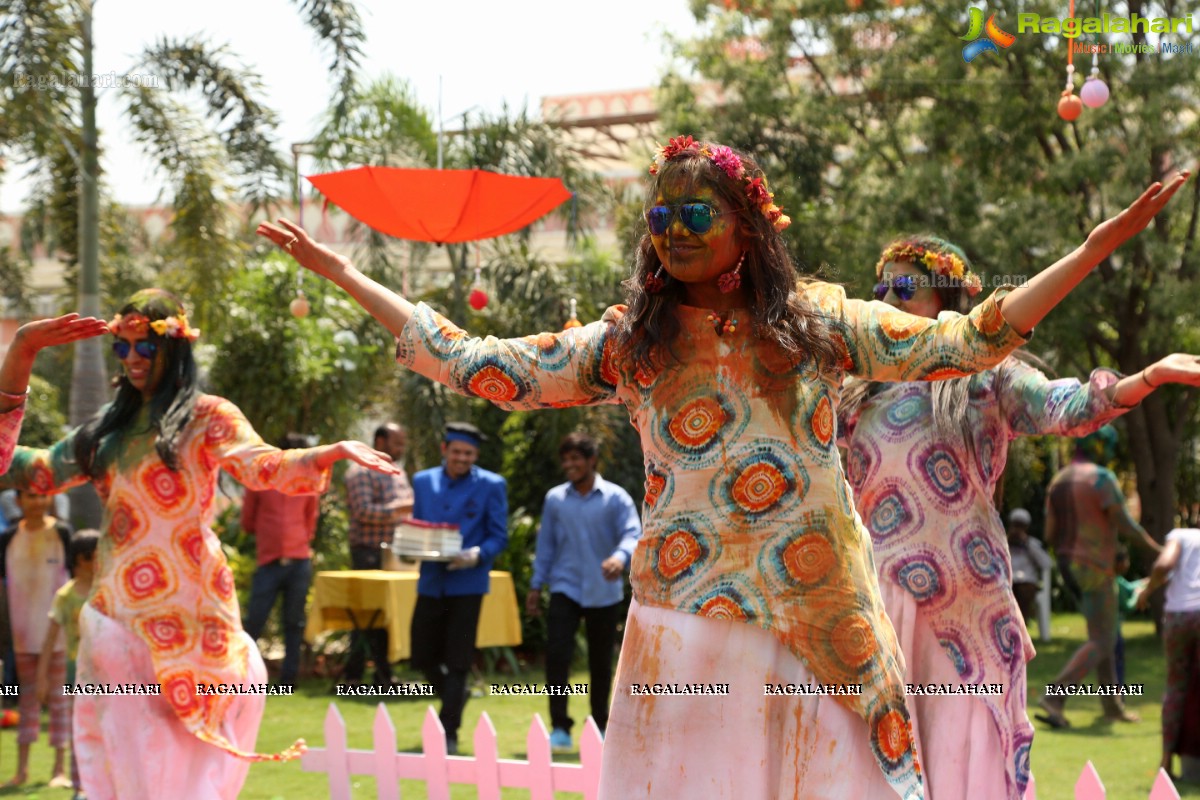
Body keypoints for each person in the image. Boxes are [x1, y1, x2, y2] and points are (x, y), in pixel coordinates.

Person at [259, 137, 1188, 799]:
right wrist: (346, 277)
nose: (672, 229)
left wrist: (1095, 249)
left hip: (818, 622)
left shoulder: (822, 322)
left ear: (747, 223)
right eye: (658, 216)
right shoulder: (631, 343)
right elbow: (480, 366)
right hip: (685, 623)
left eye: (694, 212)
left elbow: (965, 341)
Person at [0, 289, 401, 800]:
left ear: (176, 344)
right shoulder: (107, 430)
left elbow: (263, 464)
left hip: (200, 616)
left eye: (144, 346)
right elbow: (22, 467)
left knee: (197, 761)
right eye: (121, 348)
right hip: (121, 623)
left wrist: (327, 453)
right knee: (133, 767)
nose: (131, 360)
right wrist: (21, 353)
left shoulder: (209, 416)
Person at [839, 234, 1200, 799]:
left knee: (962, 758)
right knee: (875, 769)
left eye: (906, 286)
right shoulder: (853, 397)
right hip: (877, 603)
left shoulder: (986, 379)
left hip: (967, 608)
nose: (888, 297)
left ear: (948, 299)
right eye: (881, 287)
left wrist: (1147, 377)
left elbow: (1072, 407)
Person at [1037, 426, 1163, 729]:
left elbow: (1049, 534)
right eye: (1107, 446)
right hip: (1095, 567)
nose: (1109, 453)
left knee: (1104, 635)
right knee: (1102, 641)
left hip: (1069, 568)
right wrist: (1158, 549)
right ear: (1096, 445)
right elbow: (1126, 525)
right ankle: (1055, 697)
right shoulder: (1101, 480)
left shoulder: (1058, 481)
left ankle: (1112, 705)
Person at [526, 432, 641, 751]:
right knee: (557, 657)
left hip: (603, 590)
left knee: (601, 662)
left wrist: (619, 558)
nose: (569, 465)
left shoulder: (616, 497)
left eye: (576, 458)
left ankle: (600, 725)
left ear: (592, 461)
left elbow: (633, 533)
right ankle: (560, 727)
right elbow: (546, 544)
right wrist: (537, 584)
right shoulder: (555, 499)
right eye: (566, 459)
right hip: (565, 586)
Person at [408, 421, 508, 755]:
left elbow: (498, 535)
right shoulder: (423, 482)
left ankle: (448, 730)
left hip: (468, 583)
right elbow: (418, 526)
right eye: (456, 452)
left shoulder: (492, 485)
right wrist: (409, 547)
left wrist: (478, 554)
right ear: (444, 450)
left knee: (459, 660)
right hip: (431, 581)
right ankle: (456, 695)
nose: (462, 459)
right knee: (421, 654)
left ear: (475, 455)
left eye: (468, 454)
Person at [0, 489, 73, 789]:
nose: (37, 502)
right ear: (18, 501)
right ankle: (22, 770)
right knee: (26, 702)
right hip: (22, 636)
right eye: (30, 496)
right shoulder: (8, 538)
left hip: (56, 635)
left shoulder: (62, 532)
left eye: (42, 496)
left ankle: (60, 770)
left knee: (58, 702)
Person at [241, 433, 321, 688]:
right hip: (269, 562)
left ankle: (289, 680)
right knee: (254, 621)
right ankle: (241, 676)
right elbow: (248, 521)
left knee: (294, 623)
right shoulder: (260, 481)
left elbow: (311, 522)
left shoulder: (308, 483)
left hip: (298, 562)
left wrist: (296, 541)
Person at [343, 421, 413, 687]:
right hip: (368, 554)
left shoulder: (397, 472)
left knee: (385, 617)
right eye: (397, 443)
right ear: (380, 442)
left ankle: (384, 676)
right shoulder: (361, 471)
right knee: (364, 616)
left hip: (393, 556)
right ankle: (353, 676)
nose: (401, 448)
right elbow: (363, 511)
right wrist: (398, 509)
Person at [37, 528, 100, 800]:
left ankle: (104, 785)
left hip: (108, 673)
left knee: (108, 729)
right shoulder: (66, 595)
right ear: (82, 559)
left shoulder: (106, 591)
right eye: (97, 556)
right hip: (78, 673)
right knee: (82, 730)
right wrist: (42, 677)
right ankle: (80, 787)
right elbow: (50, 639)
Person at [1138, 527, 1200, 780]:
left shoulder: (1181, 536)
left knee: (1176, 687)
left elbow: (1164, 565)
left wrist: (1147, 590)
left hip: (1179, 616)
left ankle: (1165, 762)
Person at [1008, 508, 1052, 623]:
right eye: (1015, 525)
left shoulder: (1032, 544)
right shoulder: (1003, 542)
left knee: (1024, 591)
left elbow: (1046, 563)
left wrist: (1027, 543)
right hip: (1007, 582)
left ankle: (1021, 624)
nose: (1017, 530)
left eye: (1020, 526)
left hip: (1026, 582)